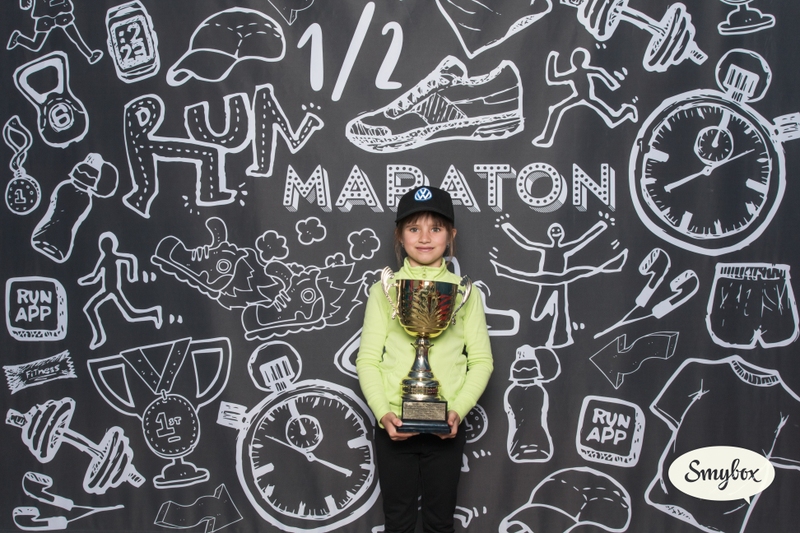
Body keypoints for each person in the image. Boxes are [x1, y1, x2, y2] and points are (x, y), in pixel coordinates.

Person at [356, 186, 494, 533]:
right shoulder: (384, 290)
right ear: (399, 236)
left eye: (436, 228)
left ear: (451, 235)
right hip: (394, 424)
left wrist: (457, 411)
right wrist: (382, 412)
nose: (424, 238)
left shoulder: (465, 293)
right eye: (413, 228)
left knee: (439, 523)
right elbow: (368, 359)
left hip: (446, 426)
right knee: (398, 523)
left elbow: (481, 361)